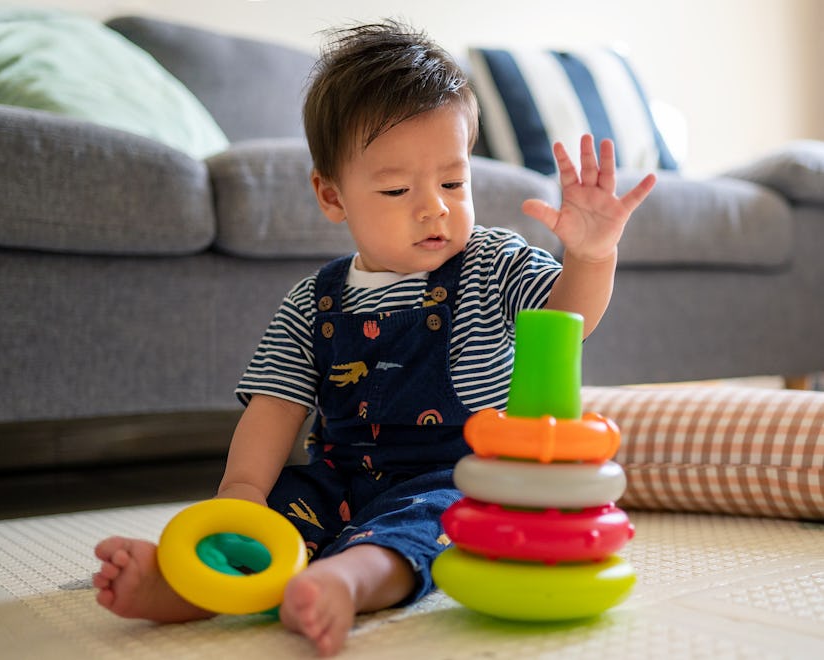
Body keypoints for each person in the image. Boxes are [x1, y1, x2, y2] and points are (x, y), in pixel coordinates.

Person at [93, 20, 656, 657]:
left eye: (453, 182)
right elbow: (276, 407)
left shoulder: (493, 263)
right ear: (332, 196)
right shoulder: (314, 301)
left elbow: (566, 318)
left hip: (457, 476)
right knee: (279, 511)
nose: (435, 208)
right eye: (396, 189)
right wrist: (242, 496)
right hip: (339, 475)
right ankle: (188, 586)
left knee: (424, 525)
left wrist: (590, 255)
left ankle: (346, 581)